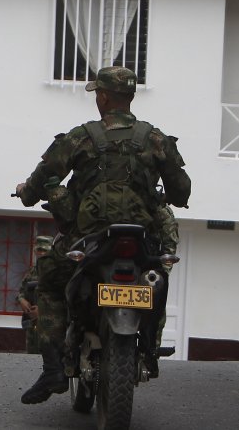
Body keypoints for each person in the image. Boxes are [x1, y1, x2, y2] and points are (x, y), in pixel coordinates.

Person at [14, 66, 190, 405]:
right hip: (140, 239)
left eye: (98, 93)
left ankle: (53, 368)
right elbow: (181, 192)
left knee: (48, 283)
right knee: (156, 279)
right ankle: (150, 347)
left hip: (89, 237)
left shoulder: (82, 136)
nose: (97, 98)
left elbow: (44, 176)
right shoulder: (154, 138)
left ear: (104, 97)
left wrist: (27, 192)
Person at [16, 236, 53, 355]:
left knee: (49, 357)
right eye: (39, 250)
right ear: (35, 251)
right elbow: (21, 290)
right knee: (31, 358)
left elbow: (62, 297)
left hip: (51, 324)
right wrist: (22, 300)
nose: (41, 253)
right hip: (32, 324)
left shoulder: (56, 272)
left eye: (45, 250)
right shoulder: (32, 272)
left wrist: (43, 310)